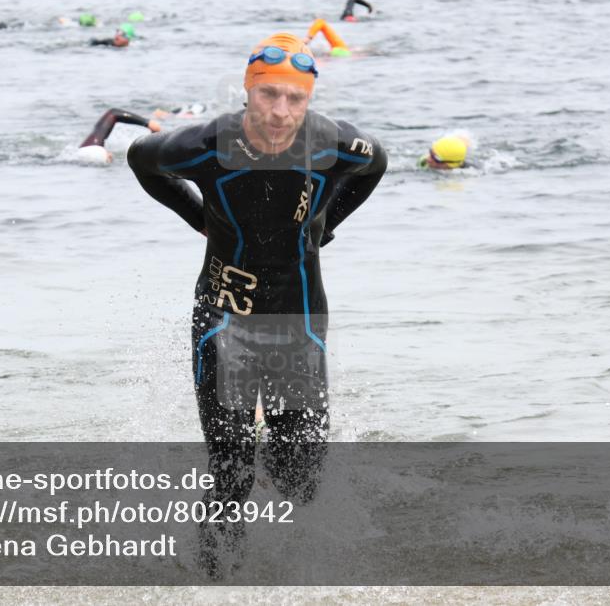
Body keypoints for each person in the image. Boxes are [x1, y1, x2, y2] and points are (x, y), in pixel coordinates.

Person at [127, 32, 387, 577]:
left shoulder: (338, 144)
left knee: (300, 480)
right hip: (224, 315)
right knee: (232, 472)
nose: (280, 111)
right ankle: (214, 579)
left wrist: (325, 226)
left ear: (309, 99)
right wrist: (197, 217)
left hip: (298, 318)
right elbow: (140, 159)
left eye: (295, 98)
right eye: (269, 95)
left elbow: (375, 167)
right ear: (249, 91)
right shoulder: (204, 144)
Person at [76, 108, 160, 164]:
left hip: (84, 156)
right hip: (93, 152)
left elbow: (113, 113)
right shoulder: (93, 147)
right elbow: (113, 113)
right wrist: (147, 123)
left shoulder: (88, 147)